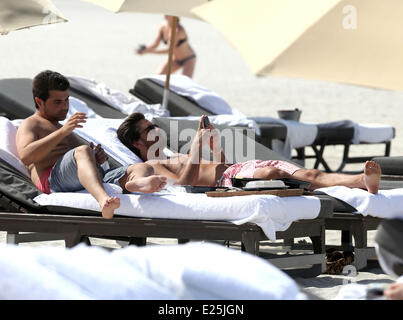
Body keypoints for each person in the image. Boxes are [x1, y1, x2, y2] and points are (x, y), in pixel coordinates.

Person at [16, 71, 167, 219]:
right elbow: (25, 156)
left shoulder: (62, 127)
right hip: (52, 181)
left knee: (142, 167)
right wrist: (63, 133)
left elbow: (79, 160)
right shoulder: (31, 124)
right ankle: (104, 201)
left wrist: (96, 159)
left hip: (80, 178)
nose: (65, 106)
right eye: (57, 102)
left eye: (66, 100)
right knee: (82, 150)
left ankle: (135, 183)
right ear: (39, 102)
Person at [116, 112, 382, 194]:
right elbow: (188, 184)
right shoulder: (152, 164)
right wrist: (197, 145)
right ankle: (301, 187)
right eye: (148, 129)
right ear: (138, 144)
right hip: (229, 182)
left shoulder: (173, 155)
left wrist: (213, 145)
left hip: (237, 168)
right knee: (274, 174)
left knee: (310, 172)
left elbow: (218, 164)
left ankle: (359, 181)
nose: (156, 129)